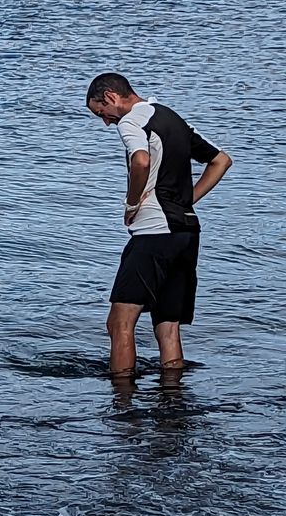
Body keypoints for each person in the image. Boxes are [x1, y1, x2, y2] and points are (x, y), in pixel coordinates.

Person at [84, 73, 232, 375]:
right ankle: (173, 399)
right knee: (168, 326)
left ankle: (122, 404)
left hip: (154, 232)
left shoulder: (131, 121)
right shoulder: (171, 118)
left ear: (111, 97)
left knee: (119, 322)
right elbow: (221, 160)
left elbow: (140, 161)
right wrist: (188, 200)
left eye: (102, 113)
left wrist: (132, 203)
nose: (106, 122)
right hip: (187, 232)